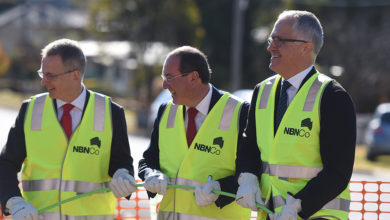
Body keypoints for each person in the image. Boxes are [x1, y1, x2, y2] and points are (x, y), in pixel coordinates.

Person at [235, 10, 356, 220]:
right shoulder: (261, 91)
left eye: (280, 41)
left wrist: (299, 206)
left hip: (318, 215)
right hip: (272, 214)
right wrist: (247, 177)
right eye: (271, 39)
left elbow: (338, 172)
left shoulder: (333, 96)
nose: (271, 47)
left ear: (305, 48)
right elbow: (249, 146)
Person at [0, 39, 137, 220]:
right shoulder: (31, 109)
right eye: (43, 73)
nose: (43, 82)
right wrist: (14, 202)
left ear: (75, 75)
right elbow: (6, 163)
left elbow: (122, 163)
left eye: (50, 75)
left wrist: (123, 175)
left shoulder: (112, 113)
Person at [138, 46, 251, 219]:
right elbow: (148, 159)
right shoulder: (165, 110)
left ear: (193, 77)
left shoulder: (240, 112)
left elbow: (250, 170)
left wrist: (220, 189)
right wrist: (150, 173)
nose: (164, 85)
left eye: (169, 78)